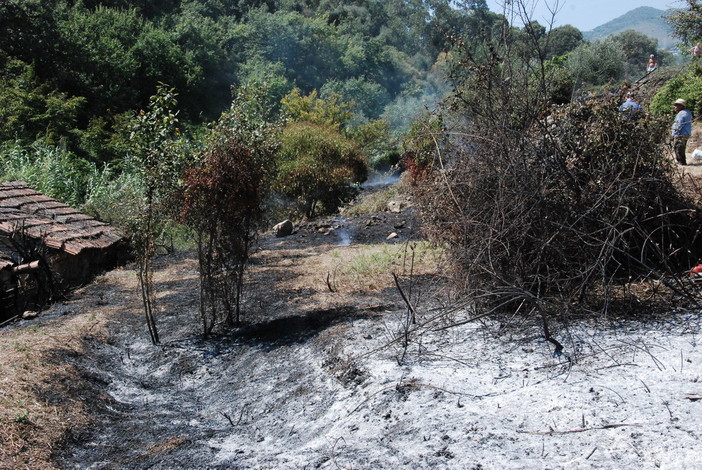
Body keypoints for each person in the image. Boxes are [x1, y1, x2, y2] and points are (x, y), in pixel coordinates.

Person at [672, 98, 693, 165]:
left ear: (682, 106)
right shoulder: (688, 112)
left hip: (681, 133)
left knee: (678, 148)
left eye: (677, 105)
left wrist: (674, 134)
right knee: (681, 148)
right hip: (686, 133)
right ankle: (683, 162)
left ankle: (681, 163)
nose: (675, 107)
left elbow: (679, 125)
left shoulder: (681, 113)